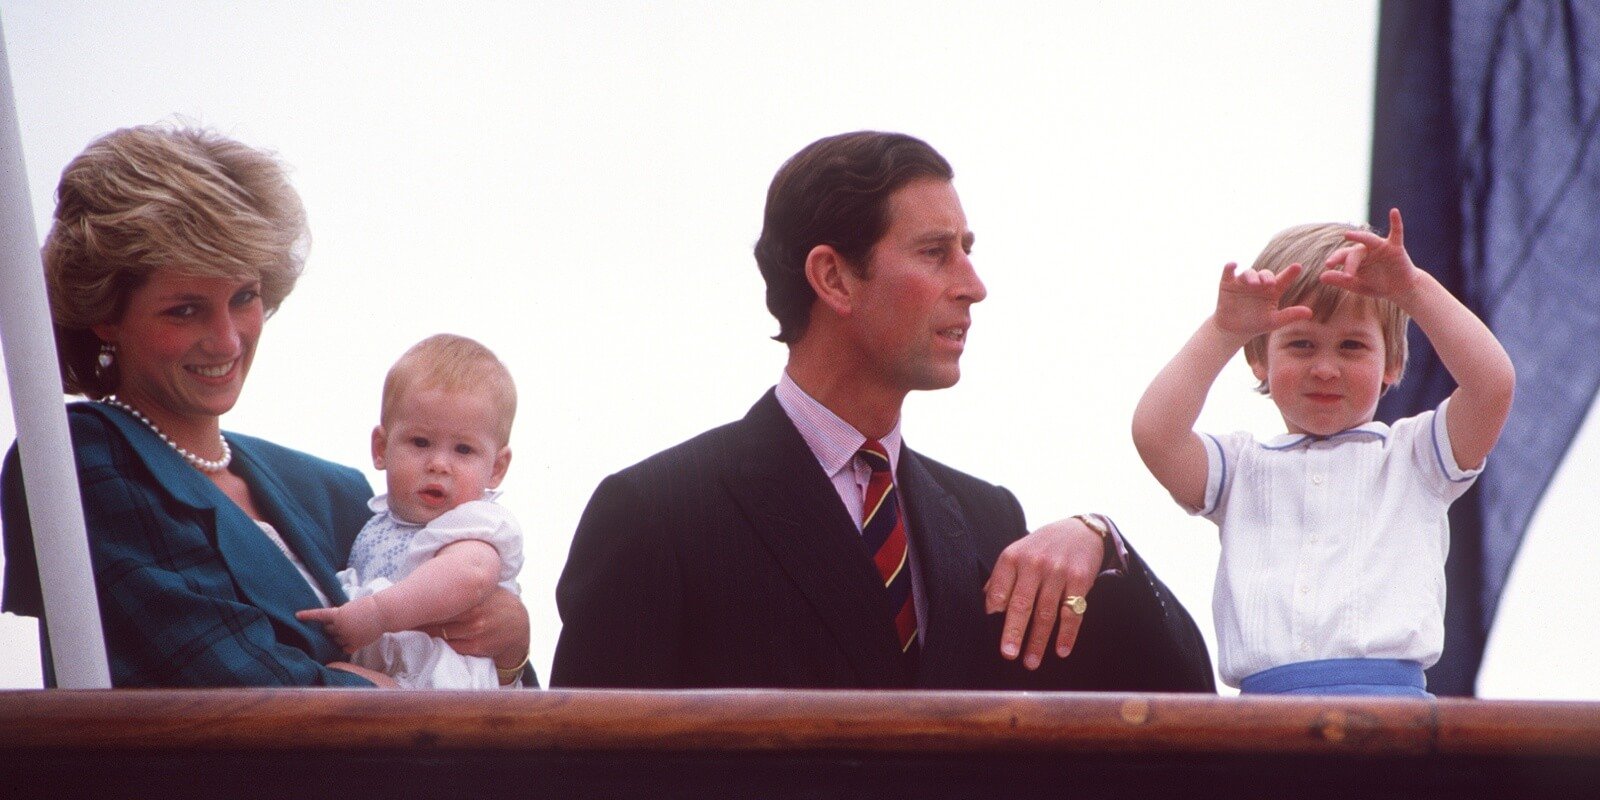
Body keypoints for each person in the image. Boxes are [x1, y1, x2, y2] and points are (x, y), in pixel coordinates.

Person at [552, 131, 1215, 690]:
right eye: (935, 252)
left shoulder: (988, 520)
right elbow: (582, 772)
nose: (974, 286)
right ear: (833, 277)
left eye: (968, 250)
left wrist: (1103, 540)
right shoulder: (656, 512)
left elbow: (1184, 705)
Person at [0, 124, 531, 687]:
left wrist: (510, 652)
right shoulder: (78, 459)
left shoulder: (339, 493)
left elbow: (478, 692)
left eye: (244, 297)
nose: (227, 340)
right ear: (106, 313)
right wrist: (387, 697)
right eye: (185, 310)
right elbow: (226, 679)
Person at [1131, 210, 1515, 696]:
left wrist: (1412, 289)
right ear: (1259, 360)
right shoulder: (1241, 470)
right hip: (1261, 723)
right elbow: (1155, 433)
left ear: (1391, 363)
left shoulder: (1415, 458)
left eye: (1352, 346)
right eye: (1301, 345)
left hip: (1391, 714)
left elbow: (1492, 386)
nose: (1326, 369)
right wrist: (1224, 331)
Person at [296, 334, 525, 688]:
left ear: (496, 467)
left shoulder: (474, 524)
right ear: (381, 448)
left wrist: (378, 613)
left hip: (446, 688)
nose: (438, 464)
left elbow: (471, 574)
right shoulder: (378, 523)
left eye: (463, 450)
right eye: (420, 442)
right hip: (397, 672)